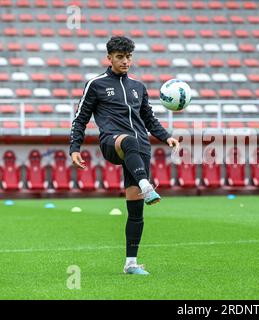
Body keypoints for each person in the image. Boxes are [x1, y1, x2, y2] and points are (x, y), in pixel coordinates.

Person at [69, 36, 179, 275]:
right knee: (128, 140)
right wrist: (74, 148)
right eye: (120, 57)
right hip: (112, 143)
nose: (125, 61)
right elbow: (81, 118)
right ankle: (147, 186)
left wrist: (166, 136)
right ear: (109, 58)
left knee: (136, 211)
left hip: (140, 151)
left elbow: (149, 118)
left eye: (129, 57)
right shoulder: (96, 84)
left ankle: (131, 263)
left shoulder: (138, 87)